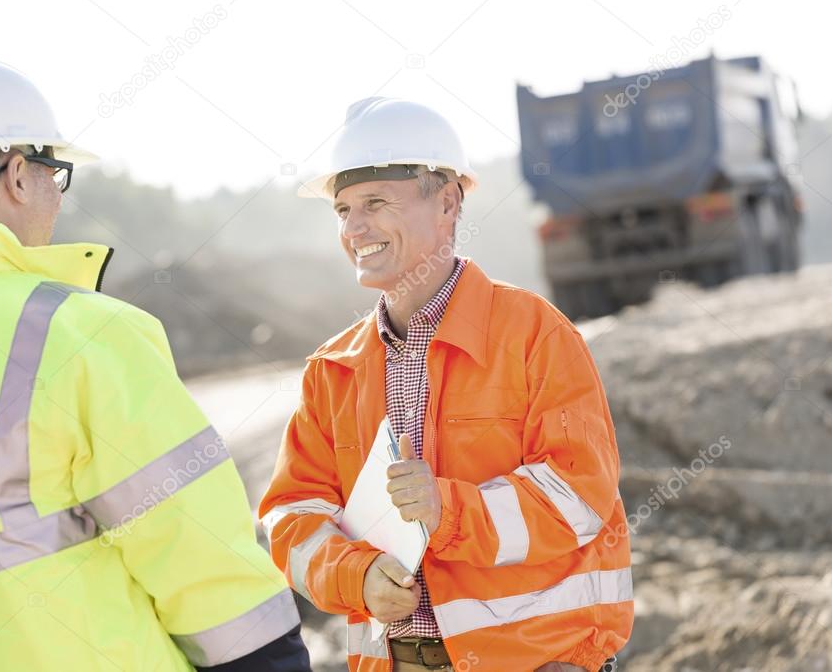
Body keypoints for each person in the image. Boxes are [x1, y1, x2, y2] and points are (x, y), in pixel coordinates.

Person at [0, 56, 309, 672]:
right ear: (17, 174)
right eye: (54, 173)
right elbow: (199, 560)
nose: (58, 197)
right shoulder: (79, 333)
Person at [260, 97, 632, 671]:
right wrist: (355, 576)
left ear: (449, 203)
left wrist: (446, 510)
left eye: (376, 203)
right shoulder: (332, 370)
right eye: (342, 209)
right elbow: (291, 516)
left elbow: (580, 495)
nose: (354, 228)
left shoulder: (534, 334)